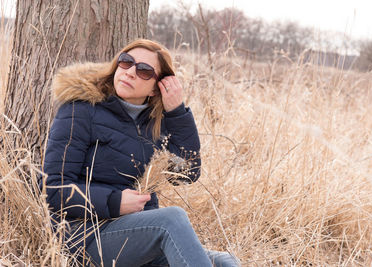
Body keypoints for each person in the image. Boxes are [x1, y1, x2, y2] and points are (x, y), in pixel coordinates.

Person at [42, 39, 239, 267]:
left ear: (157, 87)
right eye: (126, 62)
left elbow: (187, 172)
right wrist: (114, 202)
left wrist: (176, 112)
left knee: (224, 262)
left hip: (139, 234)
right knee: (171, 219)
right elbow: (52, 189)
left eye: (144, 71)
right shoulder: (81, 110)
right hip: (85, 236)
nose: (130, 73)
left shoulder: (156, 124)